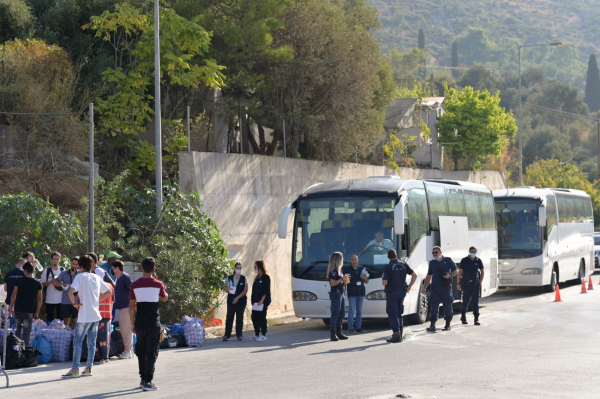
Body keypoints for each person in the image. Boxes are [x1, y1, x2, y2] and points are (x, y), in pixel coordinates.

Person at [62, 255, 112, 378]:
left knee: (77, 342)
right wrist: (97, 301)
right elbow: (109, 291)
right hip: (95, 315)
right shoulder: (96, 277)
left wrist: (74, 304)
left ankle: (75, 369)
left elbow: (70, 291)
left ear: (81, 266)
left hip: (84, 315)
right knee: (91, 342)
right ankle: (88, 368)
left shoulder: (80, 277)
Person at [129, 257, 168, 391]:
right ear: (154, 268)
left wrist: (132, 323)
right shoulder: (158, 284)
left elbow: (131, 306)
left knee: (141, 352)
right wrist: (160, 283)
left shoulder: (134, 284)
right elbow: (164, 298)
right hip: (153, 323)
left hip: (139, 323)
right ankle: (148, 381)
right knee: (152, 352)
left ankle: (142, 379)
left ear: (142, 268)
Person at [382, 249, 417, 343]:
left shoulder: (388, 266)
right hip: (402, 292)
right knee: (399, 313)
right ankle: (400, 334)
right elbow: (414, 275)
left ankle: (396, 335)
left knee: (392, 313)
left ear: (388, 257)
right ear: (396, 255)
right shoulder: (403, 264)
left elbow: (384, 282)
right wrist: (409, 286)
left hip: (392, 293)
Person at [422, 246, 458, 332]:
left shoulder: (448, 260)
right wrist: (424, 288)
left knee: (447, 305)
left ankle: (447, 324)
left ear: (441, 252)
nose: (435, 254)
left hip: (445, 288)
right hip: (434, 288)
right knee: (434, 306)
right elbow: (428, 276)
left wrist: (450, 275)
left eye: (436, 252)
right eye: (433, 253)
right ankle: (432, 325)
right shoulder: (432, 263)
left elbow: (456, 271)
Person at [9, 262, 42, 348]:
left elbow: (13, 295)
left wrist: (11, 308)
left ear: (26, 270)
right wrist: (37, 312)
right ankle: (25, 353)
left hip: (18, 310)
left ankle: (17, 351)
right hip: (29, 311)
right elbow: (40, 300)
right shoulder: (38, 283)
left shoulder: (19, 281)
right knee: (26, 334)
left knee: (18, 331)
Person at [111, 260, 134, 359]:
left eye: (113, 268)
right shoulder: (119, 278)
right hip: (121, 307)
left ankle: (128, 350)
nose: (112, 270)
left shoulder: (125, 277)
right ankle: (129, 350)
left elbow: (132, 288)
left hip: (126, 307)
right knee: (124, 329)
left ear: (117, 268)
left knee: (126, 329)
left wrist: (133, 303)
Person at [458, 246, 485, 326]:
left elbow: (482, 271)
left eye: (474, 252)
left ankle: (476, 319)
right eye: (471, 252)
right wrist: (458, 283)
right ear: (469, 252)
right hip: (466, 284)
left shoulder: (478, 260)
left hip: (475, 284)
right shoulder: (464, 260)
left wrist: (480, 281)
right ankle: (463, 316)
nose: (473, 253)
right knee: (465, 301)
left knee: (475, 302)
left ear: (476, 252)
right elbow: (459, 272)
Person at [342, 254, 369, 333]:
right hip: (352, 293)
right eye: (352, 260)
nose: (354, 261)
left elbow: (367, 281)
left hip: (360, 292)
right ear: (350, 261)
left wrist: (363, 278)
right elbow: (344, 282)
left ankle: (358, 327)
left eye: (355, 259)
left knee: (359, 311)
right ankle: (350, 328)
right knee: (351, 310)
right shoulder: (347, 270)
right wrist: (346, 280)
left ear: (358, 260)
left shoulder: (362, 269)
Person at [222, 262, 248, 341]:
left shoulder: (244, 278)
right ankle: (227, 335)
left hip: (241, 301)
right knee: (229, 317)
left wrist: (237, 298)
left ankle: (239, 335)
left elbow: (245, 290)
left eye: (240, 268)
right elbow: (224, 287)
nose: (239, 269)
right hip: (231, 301)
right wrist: (227, 289)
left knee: (239, 318)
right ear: (235, 269)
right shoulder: (229, 278)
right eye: (238, 268)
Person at [327, 252, 349, 342]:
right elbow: (332, 283)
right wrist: (342, 279)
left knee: (342, 313)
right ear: (338, 260)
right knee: (335, 313)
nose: (343, 260)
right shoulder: (333, 270)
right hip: (336, 293)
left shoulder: (339, 271)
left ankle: (339, 332)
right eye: (342, 258)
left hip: (341, 293)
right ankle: (333, 334)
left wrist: (345, 281)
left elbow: (340, 282)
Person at [55, 257, 80, 326]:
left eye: (76, 264)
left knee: (77, 319)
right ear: (70, 263)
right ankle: (66, 334)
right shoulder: (64, 273)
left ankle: (78, 335)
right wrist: (64, 284)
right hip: (65, 300)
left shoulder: (80, 274)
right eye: (73, 264)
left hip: (76, 301)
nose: (74, 266)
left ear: (78, 265)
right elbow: (55, 282)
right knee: (65, 320)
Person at [250, 260, 271, 342]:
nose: (255, 268)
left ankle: (263, 334)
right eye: (254, 267)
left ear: (260, 267)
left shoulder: (266, 277)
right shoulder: (257, 278)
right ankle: (257, 333)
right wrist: (253, 300)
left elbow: (266, 290)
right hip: (256, 302)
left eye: (256, 267)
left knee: (261, 318)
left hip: (262, 302)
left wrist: (262, 300)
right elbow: (254, 290)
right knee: (254, 318)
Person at [41, 251, 64, 323]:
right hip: (50, 299)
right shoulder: (47, 270)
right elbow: (42, 284)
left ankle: (60, 333)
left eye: (57, 259)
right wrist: (51, 282)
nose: (55, 261)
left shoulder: (63, 270)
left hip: (61, 299)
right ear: (51, 260)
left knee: (60, 319)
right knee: (49, 319)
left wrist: (58, 283)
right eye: (54, 259)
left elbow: (66, 284)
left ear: (60, 260)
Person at [3, 258, 25, 329]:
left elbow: (5, 289)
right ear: (24, 265)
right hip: (22, 301)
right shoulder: (25, 273)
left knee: (12, 324)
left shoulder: (8, 273)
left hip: (10, 301)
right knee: (21, 324)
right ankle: (20, 339)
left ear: (16, 264)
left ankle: (12, 338)